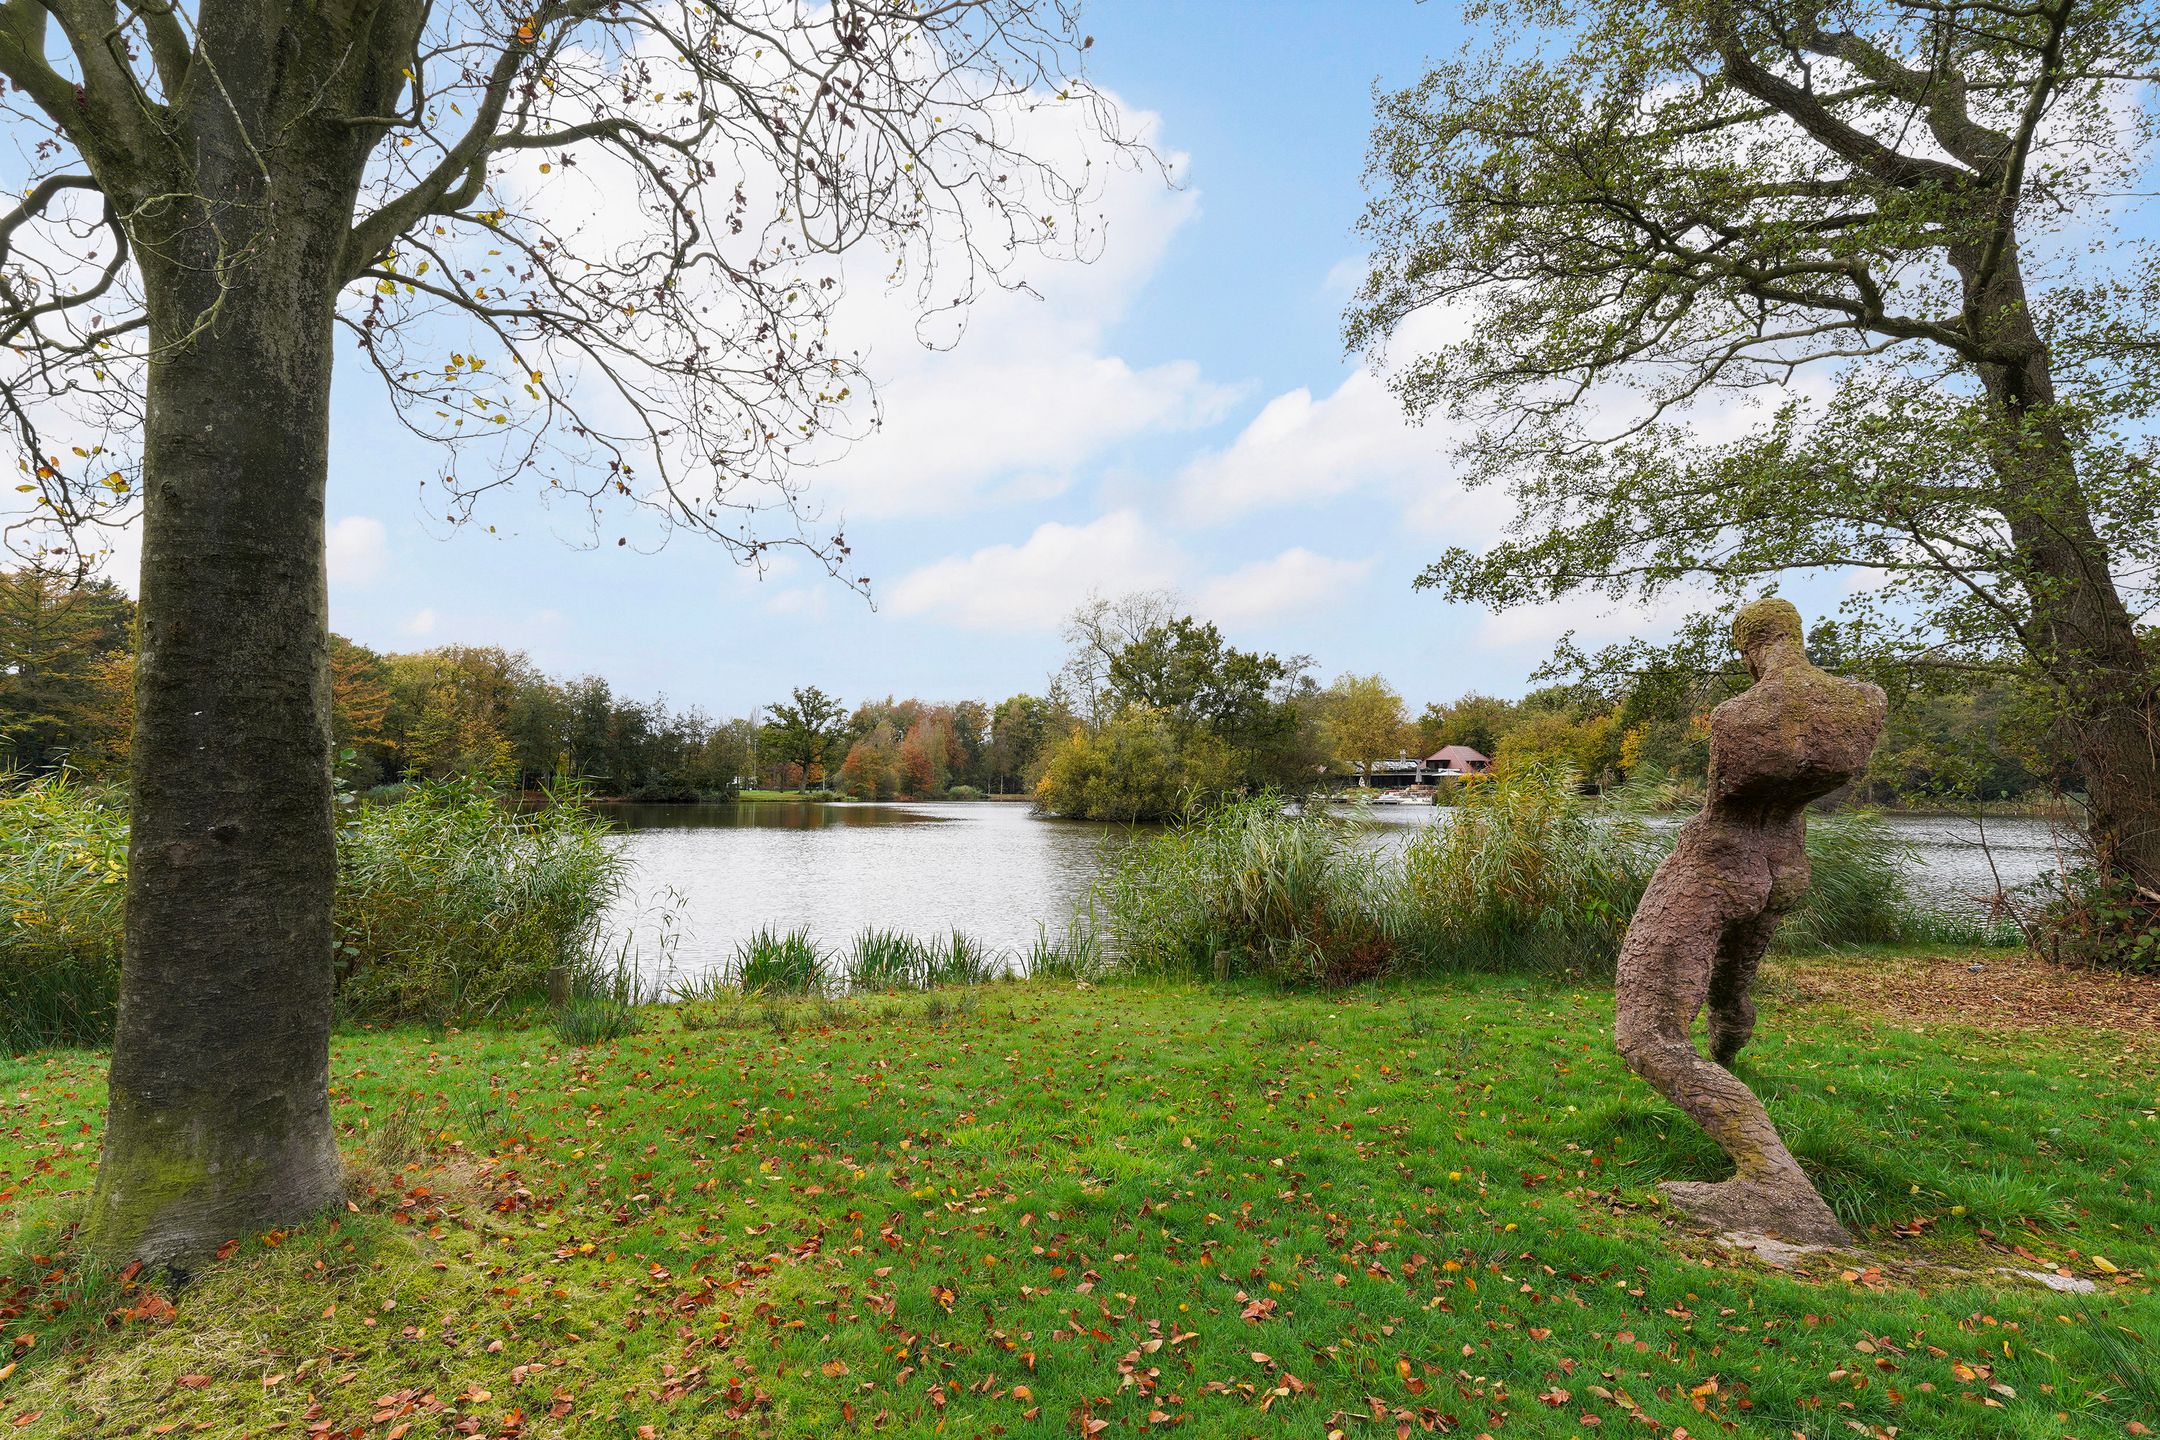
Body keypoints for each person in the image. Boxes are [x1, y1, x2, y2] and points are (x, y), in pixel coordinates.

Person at [1613, 598, 1885, 1242]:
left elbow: (1723, 800)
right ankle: (1728, 1052)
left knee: (1646, 1035)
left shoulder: (1739, 714)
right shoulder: (1861, 702)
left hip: (1718, 863)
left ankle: (1772, 1183)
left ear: (1745, 647)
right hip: (1786, 865)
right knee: (1731, 987)